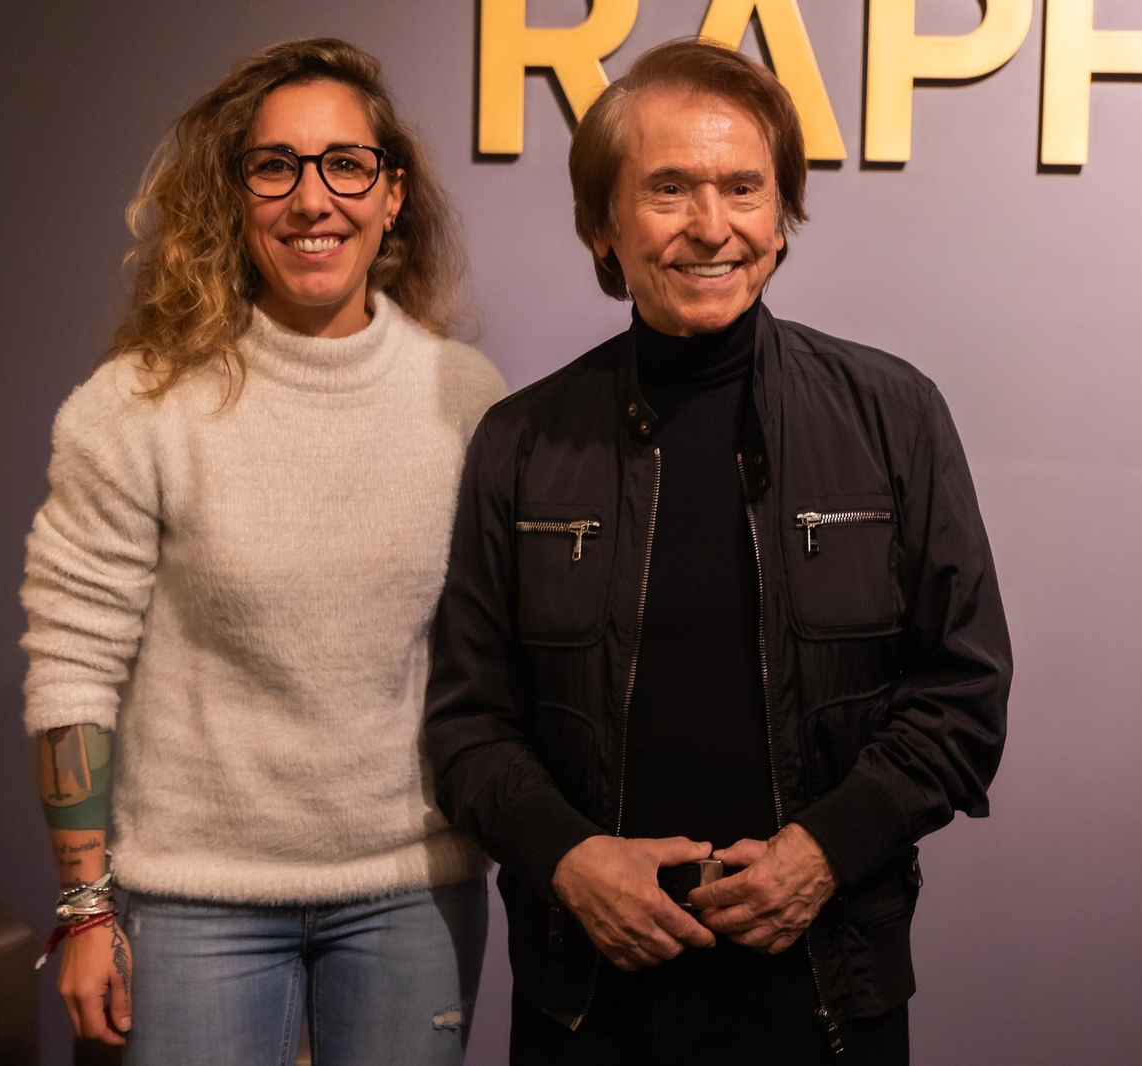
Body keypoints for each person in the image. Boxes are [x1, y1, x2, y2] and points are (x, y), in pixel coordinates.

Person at [425, 38, 1012, 1066]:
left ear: (780, 217)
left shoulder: (893, 415)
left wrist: (825, 851)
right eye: (667, 188)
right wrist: (568, 859)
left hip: (827, 989)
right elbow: (468, 725)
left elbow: (961, 697)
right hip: (589, 999)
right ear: (602, 225)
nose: (710, 225)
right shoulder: (521, 443)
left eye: (743, 187)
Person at [20, 38, 505, 1066]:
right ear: (237, 196)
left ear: (391, 194)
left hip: (410, 888)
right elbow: (72, 664)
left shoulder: (468, 399)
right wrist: (84, 905)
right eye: (275, 166)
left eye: (345, 164)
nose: (311, 198)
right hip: (195, 899)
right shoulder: (139, 404)